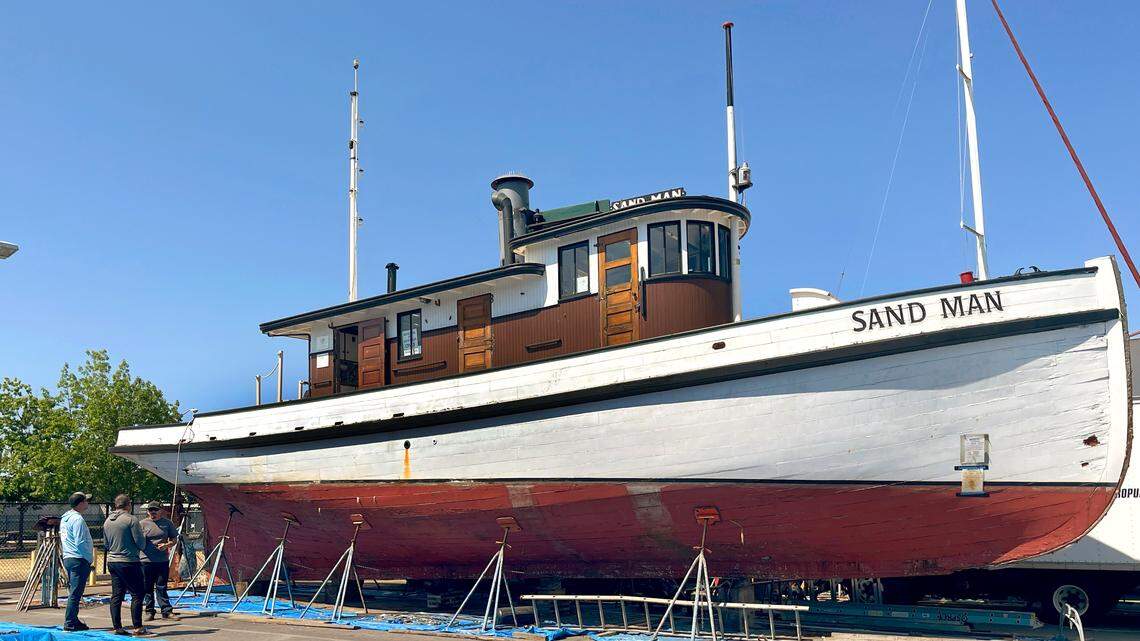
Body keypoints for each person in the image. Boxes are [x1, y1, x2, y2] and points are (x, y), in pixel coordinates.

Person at [103, 494, 150, 636]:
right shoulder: (131, 519)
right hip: (129, 561)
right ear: (128, 505)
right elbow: (140, 543)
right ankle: (138, 627)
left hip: (112, 561)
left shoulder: (107, 521)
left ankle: (117, 627)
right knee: (137, 594)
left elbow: (106, 544)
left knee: (117, 595)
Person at [60, 491, 94, 632]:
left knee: (74, 592)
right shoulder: (77, 519)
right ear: (80, 503)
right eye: (86, 501)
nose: (88, 503)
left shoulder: (65, 518)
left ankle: (72, 620)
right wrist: (88, 557)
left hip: (69, 556)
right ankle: (70, 621)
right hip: (78, 558)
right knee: (76, 593)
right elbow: (80, 541)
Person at [139, 501, 178, 620]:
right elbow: (137, 540)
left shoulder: (167, 523)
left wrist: (168, 545)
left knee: (161, 586)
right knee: (147, 587)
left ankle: (166, 610)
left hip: (162, 560)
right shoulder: (142, 524)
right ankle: (149, 611)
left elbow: (174, 539)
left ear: (160, 511)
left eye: (155, 510)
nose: (153, 512)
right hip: (146, 560)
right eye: (151, 510)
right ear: (147, 512)